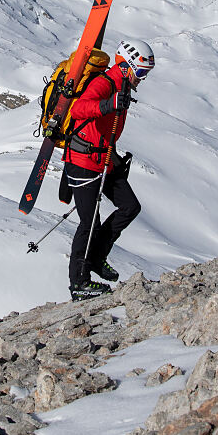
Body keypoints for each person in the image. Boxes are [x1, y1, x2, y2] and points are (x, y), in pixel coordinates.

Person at [62, 38, 154, 300]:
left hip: (103, 159)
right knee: (89, 222)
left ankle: (97, 258)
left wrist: (113, 159)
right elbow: (79, 109)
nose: (143, 79)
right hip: (81, 161)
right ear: (126, 66)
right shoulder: (105, 84)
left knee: (130, 206)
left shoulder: (121, 86)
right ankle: (79, 281)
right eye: (141, 72)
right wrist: (109, 103)